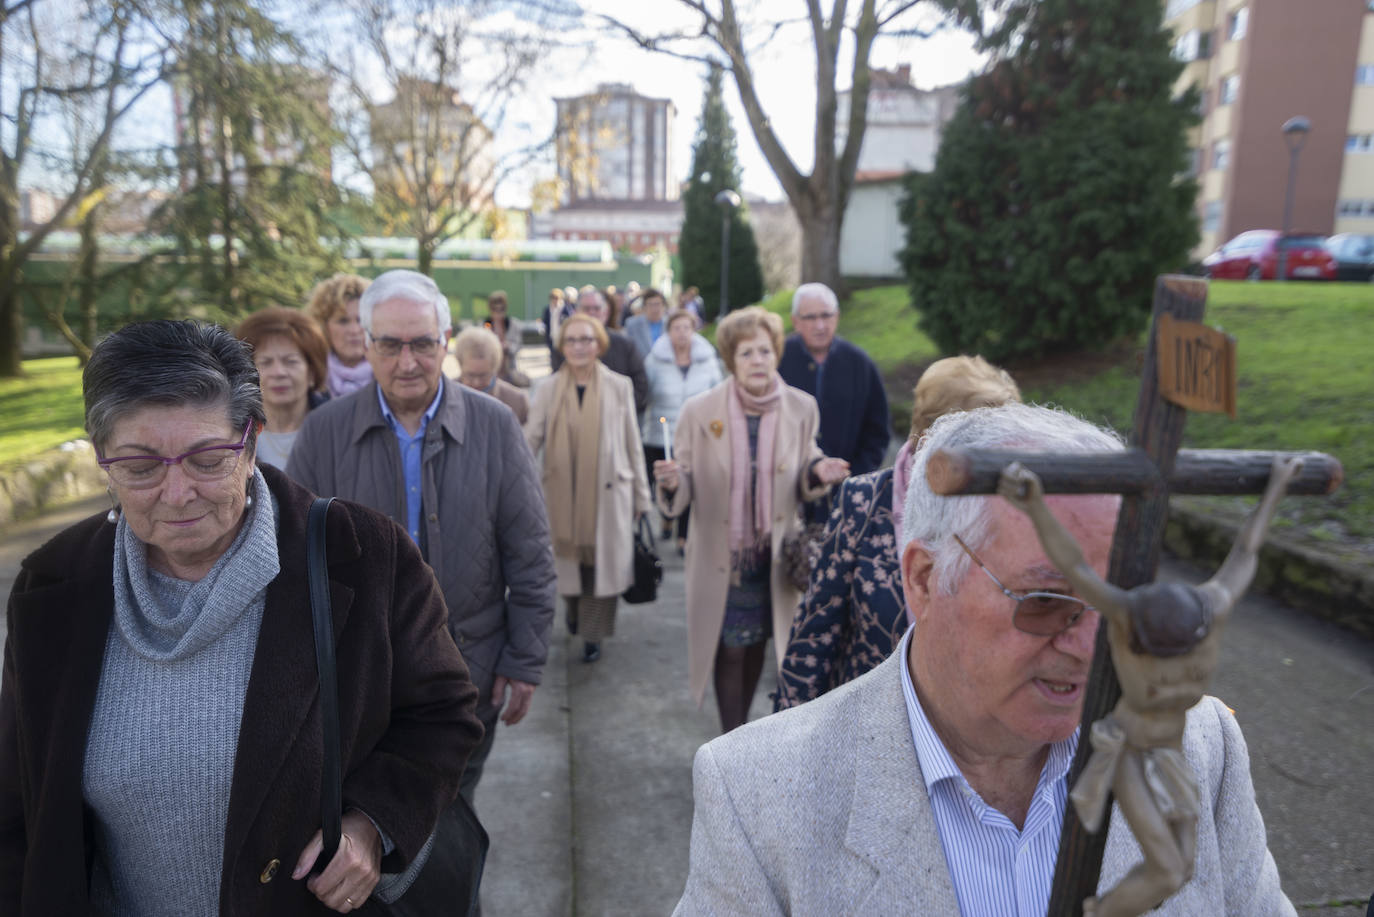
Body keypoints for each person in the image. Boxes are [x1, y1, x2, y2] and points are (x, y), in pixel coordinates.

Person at [673, 404, 1293, 915]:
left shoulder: (1204, 745)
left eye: (1124, 603)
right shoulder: (757, 794)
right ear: (923, 579)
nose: (1092, 646)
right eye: (1047, 602)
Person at [0, 320, 482, 915]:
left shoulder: (362, 556)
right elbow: (21, 792)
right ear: (103, 460)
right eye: (141, 466)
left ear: (250, 442)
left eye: (206, 459)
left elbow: (444, 712)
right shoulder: (53, 585)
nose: (177, 494)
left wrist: (372, 823)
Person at [288, 269, 555, 809]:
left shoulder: (496, 426)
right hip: (359, 680)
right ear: (366, 345)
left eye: (422, 343)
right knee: (374, 821)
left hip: (468, 675)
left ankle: (458, 895)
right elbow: (294, 564)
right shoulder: (324, 433)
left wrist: (524, 660)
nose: (407, 361)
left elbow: (529, 553)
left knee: (451, 820)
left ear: (445, 341)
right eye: (389, 344)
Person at [998, 455, 1301, 917]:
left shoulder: (1210, 607)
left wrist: (1277, 485)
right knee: (1165, 868)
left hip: (1173, 754)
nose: (1175, 671)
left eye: (1186, 662)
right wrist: (1035, 505)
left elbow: (1244, 554)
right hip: (1131, 753)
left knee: (1181, 870)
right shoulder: (1125, 615)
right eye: (1157, 664)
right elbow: (1076, 567)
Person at [775, 355, 1022, 709]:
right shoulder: (863, 501)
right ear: (931, 438)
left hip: (978, 726)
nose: (999, 458)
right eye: (985, 445)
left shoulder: (1015, 510)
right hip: (870, 723)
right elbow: (815, 635)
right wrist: (788, 742)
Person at [653, 306, 849, 734]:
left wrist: (818, 472)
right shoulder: (699, 411)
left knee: (760, 641)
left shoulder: (801, 407)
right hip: (721, 556)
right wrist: (672, 483)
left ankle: (743, 735)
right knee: (729, 649)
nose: (758, 360)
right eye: (746, 353)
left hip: (775, 556)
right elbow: (684, 480)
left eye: (764, 351)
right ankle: (733, 737)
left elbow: (806, 461)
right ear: (730, 359)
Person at [525, 312, 652, 664]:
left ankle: (592, 635)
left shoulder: (619, 385)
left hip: (609, 494)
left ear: (599, 344)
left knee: (602, 569)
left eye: (586, 339)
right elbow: (530, 437)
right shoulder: (548, 388)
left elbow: (632, 442)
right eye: (571, 340)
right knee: (568, 565)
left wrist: (642, 495)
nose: (579, 347)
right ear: (561, 346)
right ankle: (574, 612)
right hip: (561, 495)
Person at [778, 282, 890, 524]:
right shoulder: (777, 360)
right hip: (786, 494)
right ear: (796, 321)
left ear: (837, 317)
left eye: (826, 316)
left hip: (845, 494)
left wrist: (856, 476)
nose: (820, 325)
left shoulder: (860, 364)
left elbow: (878, 430)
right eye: (811, 317)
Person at [642, 307, 723, 552]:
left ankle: (684, 536)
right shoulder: (654, 360)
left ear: (693, 330)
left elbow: (718, 392)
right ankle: (667, 519)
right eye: (676, 328)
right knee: (665, 481)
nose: (682, 333)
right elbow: (644, 393)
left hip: (695, 434)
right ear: (669, 332)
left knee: (691, 482)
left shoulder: (707, 359)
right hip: (661, 433)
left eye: (686, 328)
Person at [233, 306, 332, 470]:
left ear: (313, 372)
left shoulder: (338, 428)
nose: (278, 373)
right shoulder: (232, 432)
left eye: (290, 361)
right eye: (265, 362)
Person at [549, 286, 649, 414]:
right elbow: (558, 381)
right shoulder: (564, 344)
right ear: (577, 311)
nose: (592, 313)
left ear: (605, 312)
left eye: (596, 308)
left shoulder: (624, 344)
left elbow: (640, 384)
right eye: (586, 309)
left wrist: (620, 408)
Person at [305, 273, 373, 399]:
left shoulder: (391, 374)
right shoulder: (308, 376)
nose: (354, 330)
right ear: (324, 326)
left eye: (361, 320)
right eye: (343, 321)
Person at [454, 326, 529, 425]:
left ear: (495, 368)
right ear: (460, 365)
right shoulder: (444, 397)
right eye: (470, 375)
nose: (476, 382)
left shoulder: (517, 402)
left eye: (483, 376)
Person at [481, 290, 528, 386]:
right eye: (495, 309)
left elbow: (519, 344)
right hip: (490, 370)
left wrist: (508, 346)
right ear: (490, 309)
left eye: (501, 309)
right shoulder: (486, 324)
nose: (498, 313)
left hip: (509, 370)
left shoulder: (512, 324)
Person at [623, 286, 669, 359]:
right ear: (644, 307)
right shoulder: (632, 324)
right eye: (650, 305)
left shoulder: (670, 324)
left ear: (663, 306)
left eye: (657, 304)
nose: (654, 309)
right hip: (641, 366)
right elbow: (627, 349)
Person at [542, 287, 574, 354]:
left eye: (557, 298)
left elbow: (570, 321)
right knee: (554, 358)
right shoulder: (548, 309)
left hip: (563, 338)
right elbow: (545, 323)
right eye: (553, 298)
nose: (555, 301)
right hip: (552, 337)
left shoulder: (565, 309)